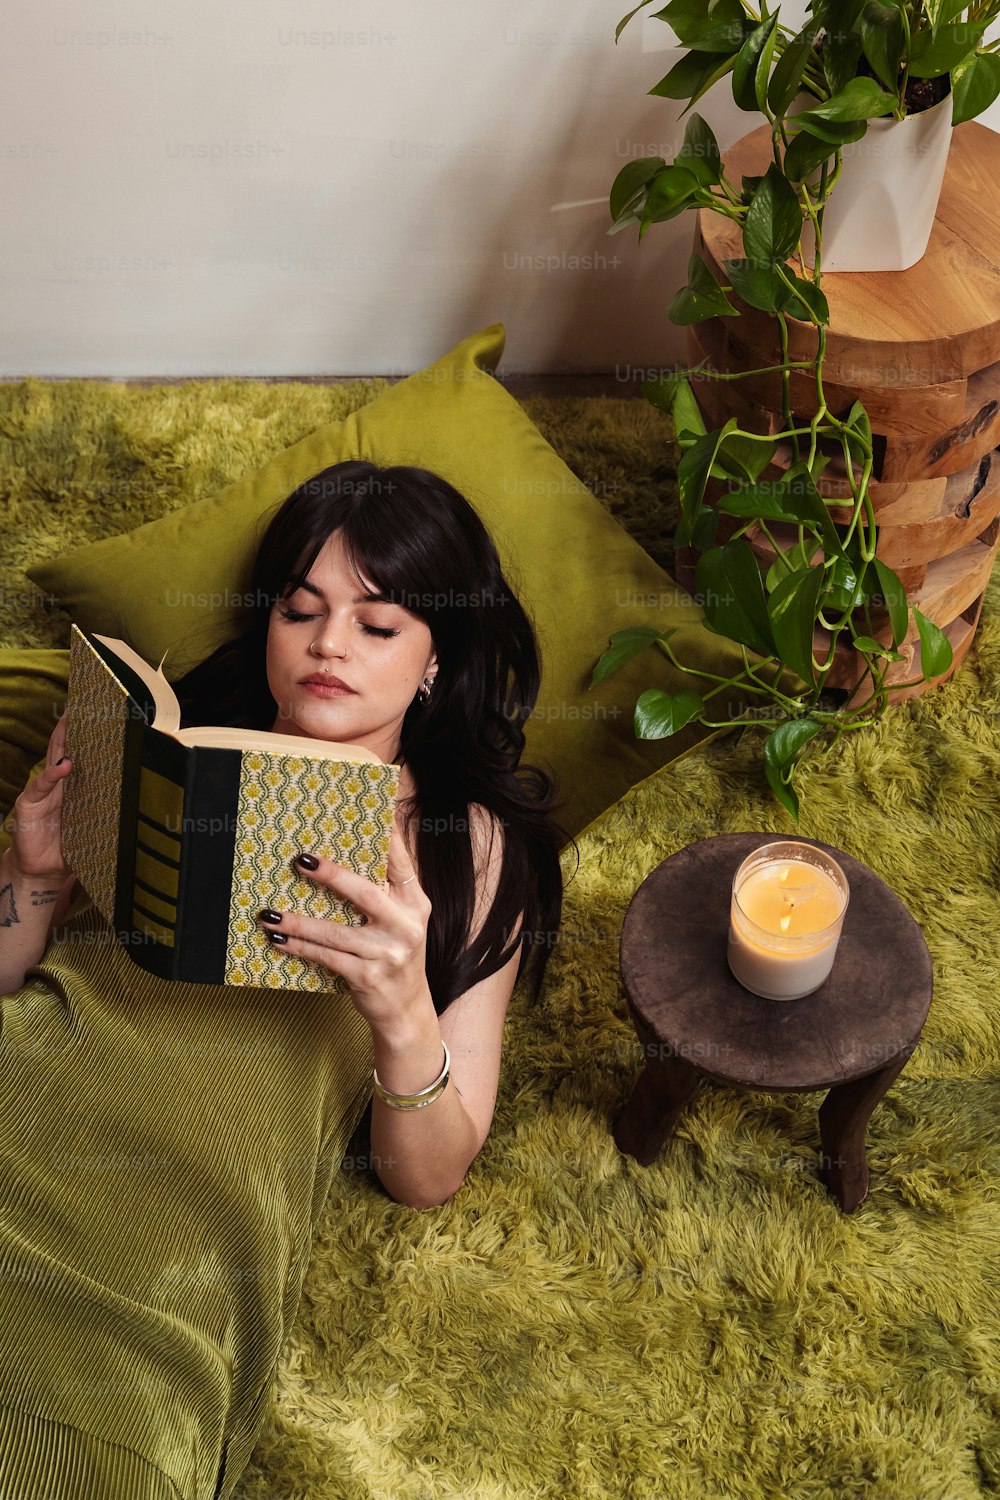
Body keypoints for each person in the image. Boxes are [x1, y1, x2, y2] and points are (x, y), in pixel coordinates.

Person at [0, 461, 564, 1498]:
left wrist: (401, 1017)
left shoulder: (469, 850)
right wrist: (31, 871)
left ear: (438, 657)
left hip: (163, 1253)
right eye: (299, 612)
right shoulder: (167, 752)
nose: (327, 646)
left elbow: (429, 1176)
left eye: (378, 624)